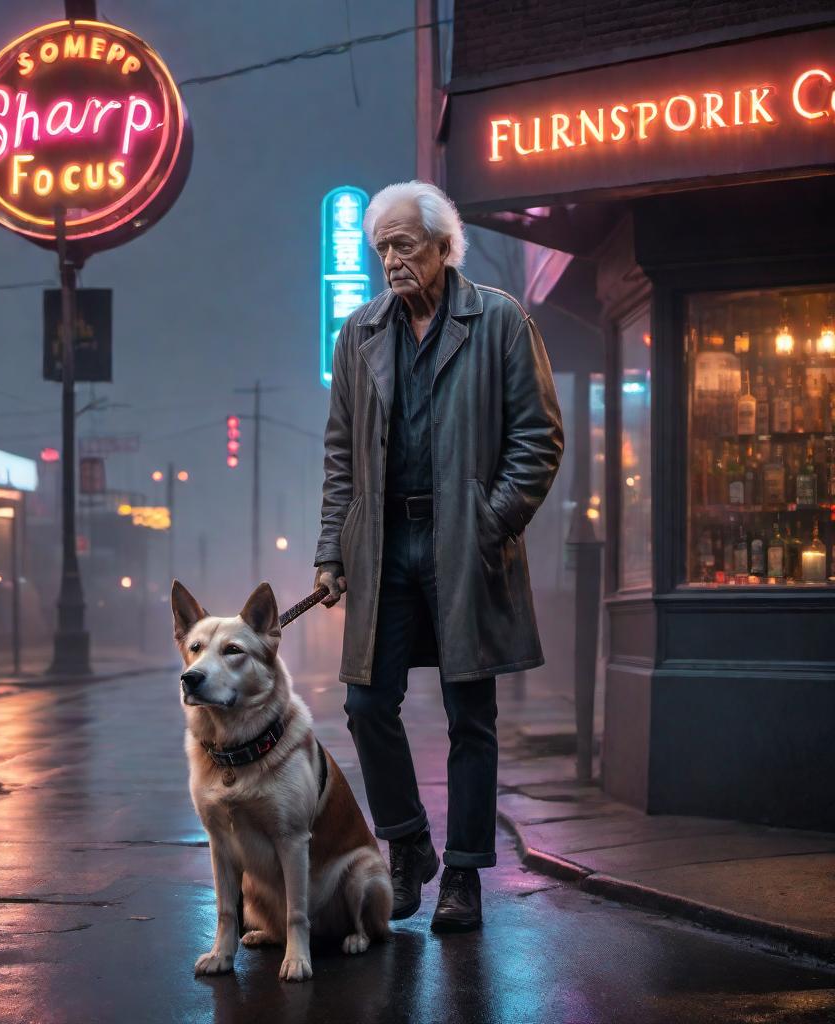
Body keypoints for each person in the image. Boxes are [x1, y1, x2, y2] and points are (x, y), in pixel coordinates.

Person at [312, 180, 563, 933]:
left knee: (470, 716)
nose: (390, 259)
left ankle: (463, 876)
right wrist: (332, 550)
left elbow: (539, 439)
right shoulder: (357, 334)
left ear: (442, 246)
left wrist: (490, 522)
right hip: (383, 545)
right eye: (380, 247)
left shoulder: (500, 320)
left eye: (403, 245)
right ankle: (409, 842)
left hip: (466, 544)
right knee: (364, 704)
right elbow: (339, 459)